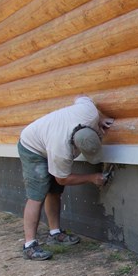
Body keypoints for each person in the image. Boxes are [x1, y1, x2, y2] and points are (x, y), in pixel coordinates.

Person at [17, 96, 113, 261]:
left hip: (48, 137)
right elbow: (62, 179)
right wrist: (92, 177)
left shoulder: (89, 112)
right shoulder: (61, 149)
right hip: (32, 146)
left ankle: (55, 234)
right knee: (37, 195)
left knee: (54, 191)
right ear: (75, 145)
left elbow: (81, 98)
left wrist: (101, 118)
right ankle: (29, 245)